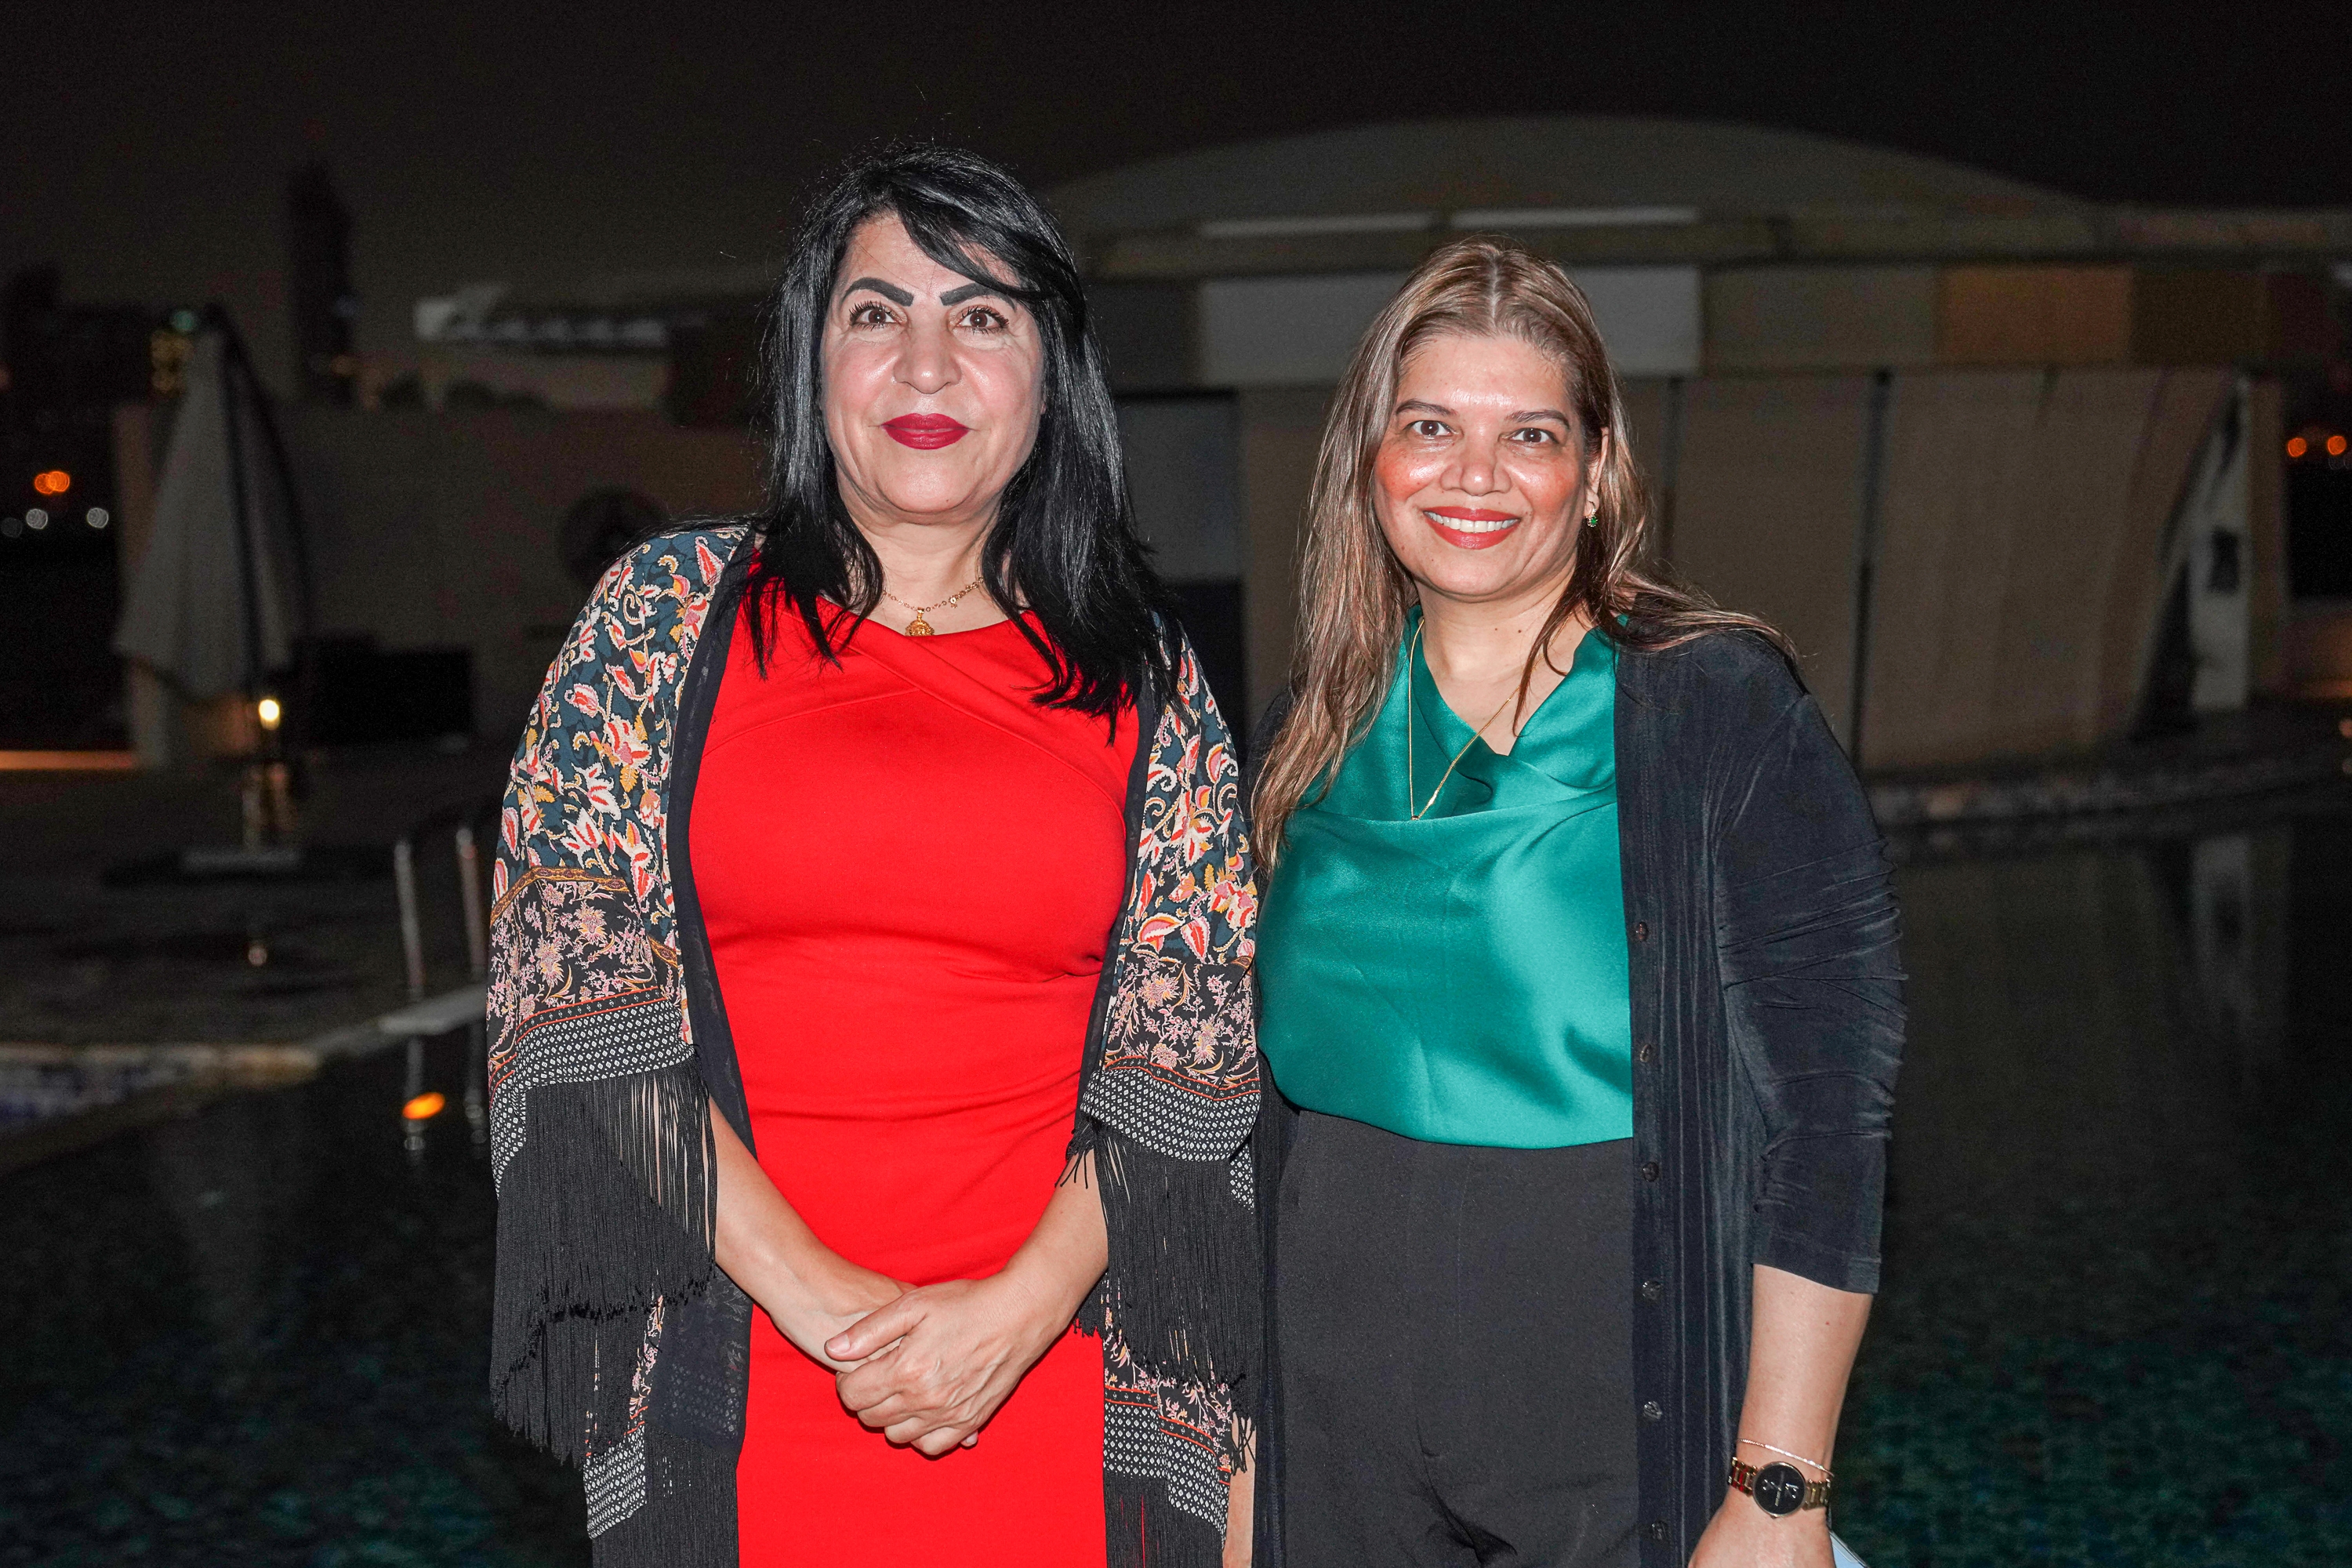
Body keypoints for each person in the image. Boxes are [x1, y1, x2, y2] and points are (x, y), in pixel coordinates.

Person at [485, 145, 1261, 1568]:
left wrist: (1014, 1314)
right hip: (737, 1364)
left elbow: (1197, 1041)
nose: (926, 365)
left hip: (1057, 1378)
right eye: (876, 312)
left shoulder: (1142, 672)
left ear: (1051, 377)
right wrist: (830, 1307)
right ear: (813, 360)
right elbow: (571, 997)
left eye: (983, 316)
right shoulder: (660, 620)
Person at [1247, 238, 1904, 1568]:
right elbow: (1245, 1118)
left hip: (1613, 1408)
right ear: (1371, 458)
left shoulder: (1718, 711)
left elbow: (1830, 1118)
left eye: (1529, 435)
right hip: (1329, 1422)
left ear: (1595, 473)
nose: (1474, 474)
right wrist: (1240, 1452)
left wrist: (1779, 1488)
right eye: (1431, 426)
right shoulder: (1305, 733)